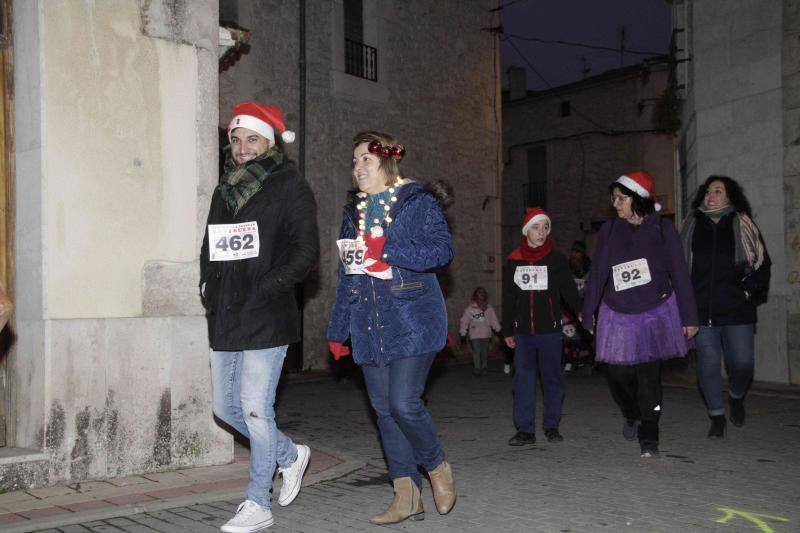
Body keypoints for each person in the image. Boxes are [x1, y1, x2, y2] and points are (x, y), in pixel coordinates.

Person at [199, 102, 319, 532]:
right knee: (224, 406)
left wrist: (265, 287)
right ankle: (290, 455)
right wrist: (206, 284)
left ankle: (257, 503)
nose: (242, 147)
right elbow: (210, 244)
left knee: (254, 410)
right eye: (235, 139)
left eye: (252, 139)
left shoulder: (290, 186)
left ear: (269, 142)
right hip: (226, 314)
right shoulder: (224, 189)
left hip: (267, 314)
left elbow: (306, 253)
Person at [327, 131, 456, 524]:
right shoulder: (354, 213)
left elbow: (442, 250)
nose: (358, 167)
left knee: (403, 402)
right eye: (354, 162)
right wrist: (337, 329)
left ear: (387, 162)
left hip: (413, 317)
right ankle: (406, 495)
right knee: (384, 410)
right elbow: (347, 273)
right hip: (369, 322)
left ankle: (437, 467)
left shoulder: (417, 201)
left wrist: (390, 250)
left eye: (365, 158)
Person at [581, 171, 698, 458]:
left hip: (655, 311)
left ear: (638, 198)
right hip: (617, 312)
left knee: (649, 378)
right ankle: (631, 412)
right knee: (618, 375)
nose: (616, 204)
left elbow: (679, 272)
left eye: (621, 199)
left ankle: (650, 433)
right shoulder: (609, 230)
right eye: (614, 199)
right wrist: (587, 311)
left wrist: (689, 315)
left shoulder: (662, 228)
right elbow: (598, 273)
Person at [679, 175, 771, 439]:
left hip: (736, 308)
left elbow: (763, 263)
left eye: (718, 191)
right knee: (707, 364)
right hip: (700, 308)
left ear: (730, 196)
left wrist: (748, 290)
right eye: (708, 191)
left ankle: (736, 395)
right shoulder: (691, 224)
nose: (711, 195)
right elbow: (678, 263)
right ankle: (717, 416)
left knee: (742, 363)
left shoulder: (743, 223)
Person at [503, 207, 581, 445]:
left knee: (552, 379)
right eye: (536, 227)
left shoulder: (556, 259)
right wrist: (507, 329)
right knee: (523, 381)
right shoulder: (514, 260)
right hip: (523, 332)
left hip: (550, 331)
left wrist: (583, 313)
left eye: (545, 227)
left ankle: (551, 426)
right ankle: (525, 430)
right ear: (527, 230)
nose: (541, 232)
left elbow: (569, 290)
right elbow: (509, 297)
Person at [459, 287, 501, 376]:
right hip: (474, 334)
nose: (481, 293)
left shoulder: (489, 308)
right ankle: (477, 368)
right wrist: (463, 333)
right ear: (475, 295)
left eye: (483, 292)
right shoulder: (470, 308)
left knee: (485, 351)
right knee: (477, 351)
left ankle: (484, 367)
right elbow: (464, 321)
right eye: (479, 292)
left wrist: (499, 330)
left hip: (485, 333)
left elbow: (493, 320)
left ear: (485, 295)